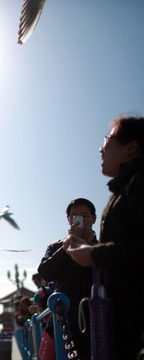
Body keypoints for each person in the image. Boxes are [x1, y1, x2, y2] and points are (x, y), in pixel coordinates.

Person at [65, 115, 144, 360]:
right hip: (119, 320)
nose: (101, 148)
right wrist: (88, 248)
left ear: (131, 147)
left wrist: (94, 254)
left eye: (107, 139)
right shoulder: (123, 189)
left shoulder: (140, 182)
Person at [38, 197, 98, 359]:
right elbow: (45, 272)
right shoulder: (56, 246)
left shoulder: (102, 248)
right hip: (61, 320)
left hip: (95, 320)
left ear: (94, 218)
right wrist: (66, 247)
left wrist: (91, 246)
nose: (81, 220)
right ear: (68, 219)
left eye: (85, 216)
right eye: (75, 216)